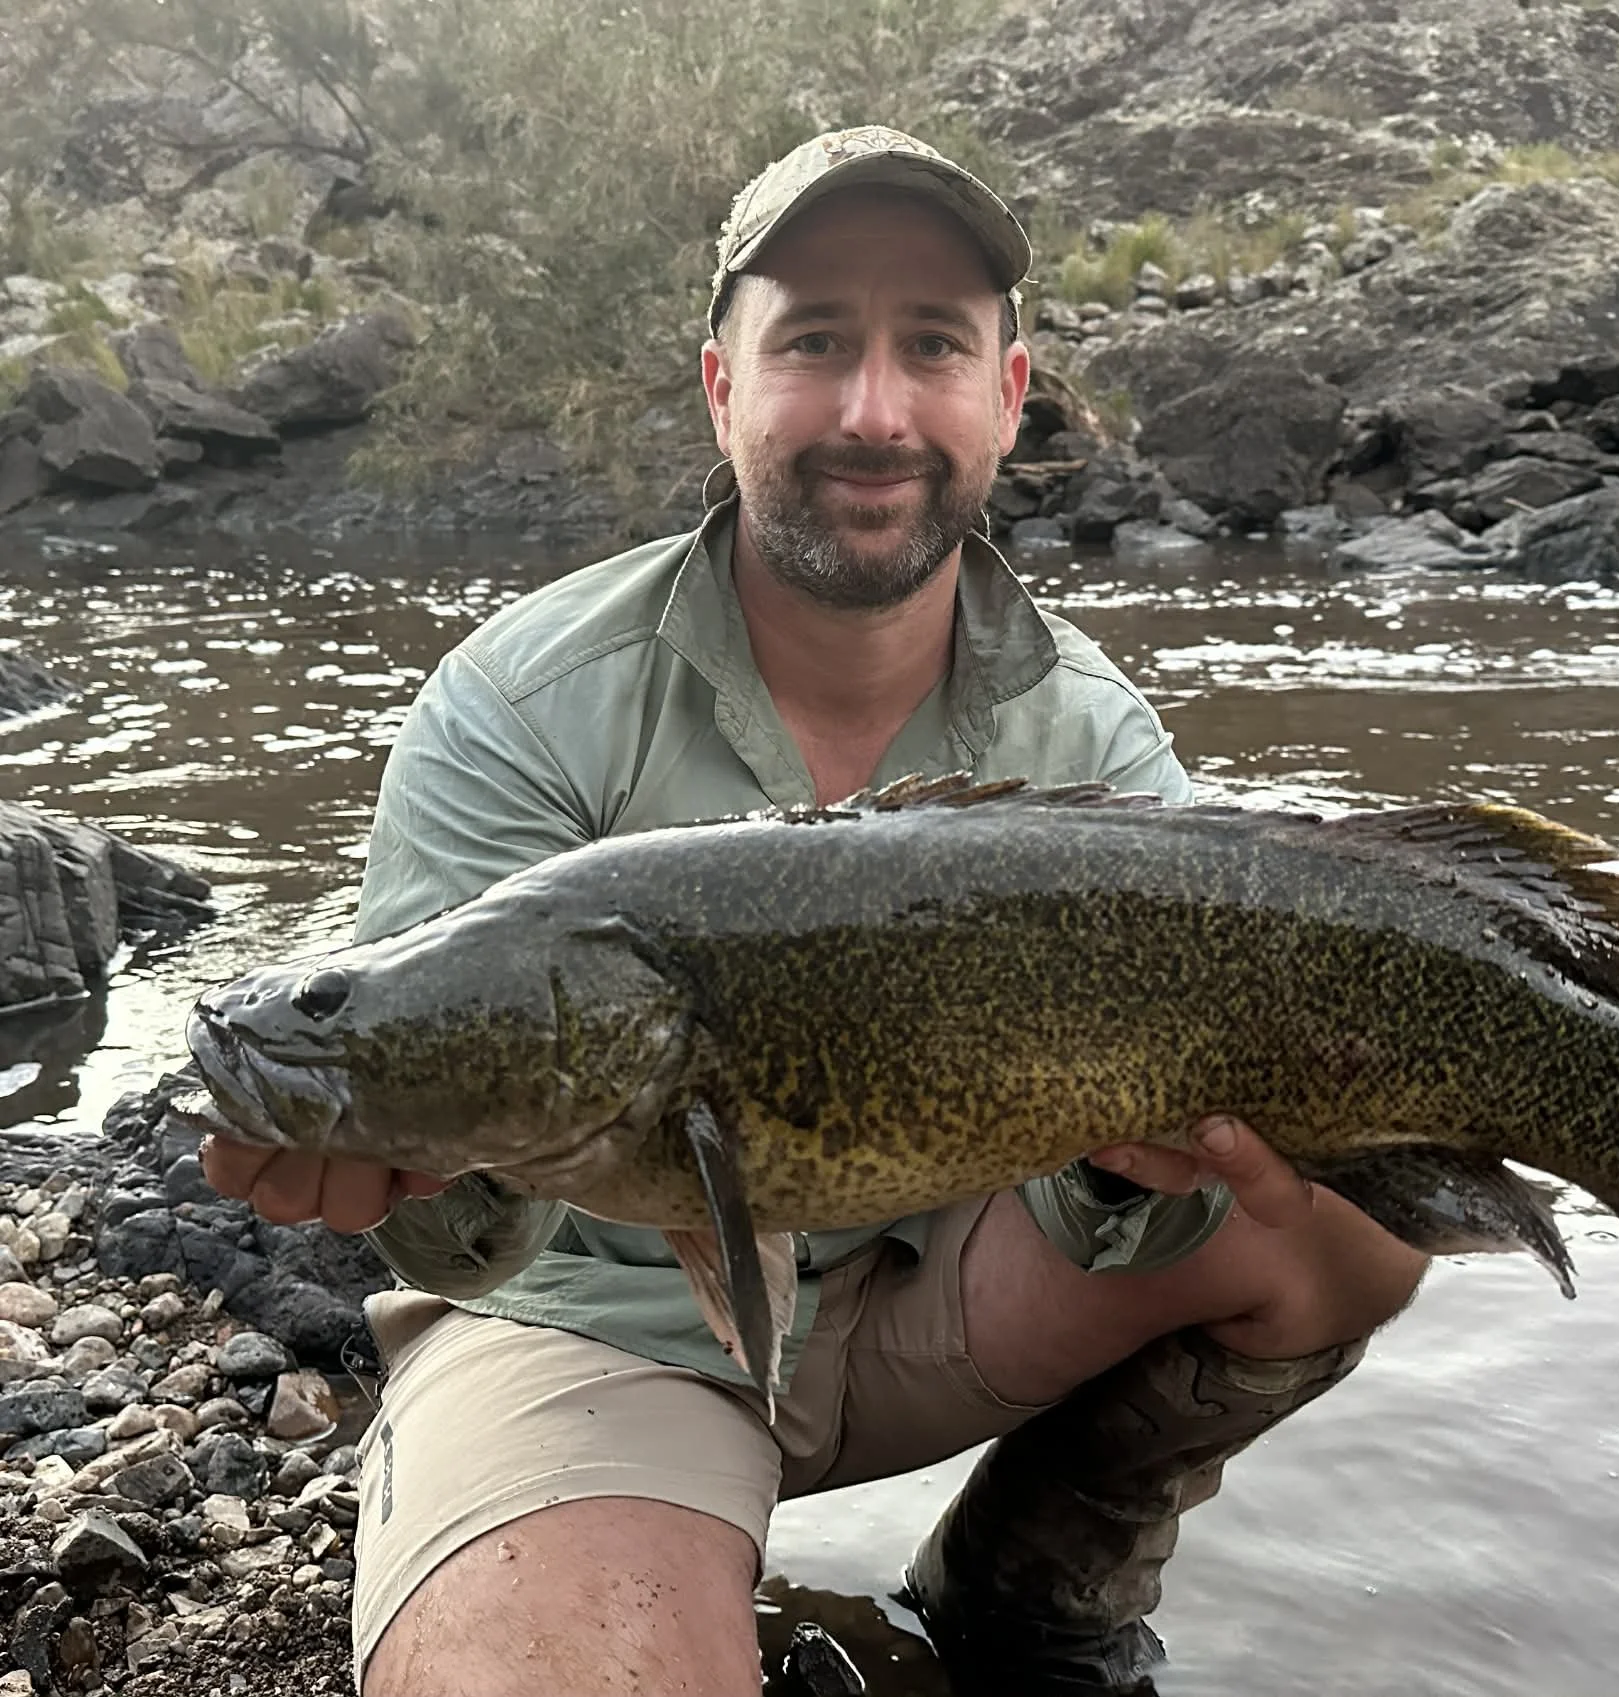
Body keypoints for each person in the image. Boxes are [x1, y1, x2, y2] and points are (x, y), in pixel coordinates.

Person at [201, 125, 1428, 1697]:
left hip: (951, 1304)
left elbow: (1122, 1214)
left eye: (931, 347)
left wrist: (1151, 1168)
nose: (872, 410)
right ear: (725, 390)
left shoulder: (1097, 744)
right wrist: (406, 1163)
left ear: (1005, 393)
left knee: (1367, 1216)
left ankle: (1028, 1588)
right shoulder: (517, 706)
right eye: (815, 344)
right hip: (611, 1336)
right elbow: (464, 1224)